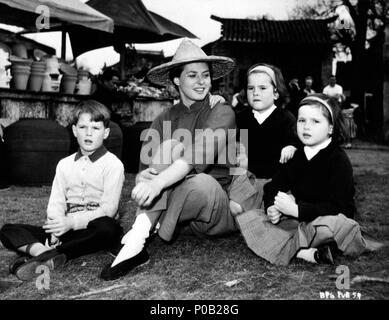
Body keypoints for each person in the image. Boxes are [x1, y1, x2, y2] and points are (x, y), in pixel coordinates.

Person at [100, 39, 245, 281]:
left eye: (206, 75)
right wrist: (145, 178)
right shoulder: (163, 118)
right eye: (193, 75)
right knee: (169, 147)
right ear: (177, 80)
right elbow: (144, 175)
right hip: (179, 218)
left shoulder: (222, 111)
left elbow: (196, 156)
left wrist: (156, 184)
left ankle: (139, 235)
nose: (202, 82)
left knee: (198, 180)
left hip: (212, 205)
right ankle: (141, 235)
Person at [0, 100, 125, 280]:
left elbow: (109, 210)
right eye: (83, 127)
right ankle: (44, 253)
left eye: (95, 128)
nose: (88, 133)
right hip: (67, 231)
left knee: (109, 228)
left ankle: (54, 253)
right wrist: (55, 230)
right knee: (7, 230)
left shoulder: (113, 165)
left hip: (93, 228)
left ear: (105, 133)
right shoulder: (64, 165)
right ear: (74, 130)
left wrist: (72, 222)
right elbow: (56, 202)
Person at [245, 93, 374, 266]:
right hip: (299, 220)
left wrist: (297, 210)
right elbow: (272, 187)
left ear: (330, 128)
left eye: (315, 121)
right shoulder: (296, 156)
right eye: (301, 120)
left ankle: (300, 246)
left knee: (330, 227)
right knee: (252, 218)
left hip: (328, 218)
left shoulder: (338, 160)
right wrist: (271, 207)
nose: (306, 127)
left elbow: (339, 206)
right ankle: (307, 250)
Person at [233, 63, 300, 203]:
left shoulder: (286, 119)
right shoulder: (241, 118)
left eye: (263, 88)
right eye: (251, 88)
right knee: (235, 208)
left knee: (273, 210)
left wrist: (292, 147)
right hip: (247, 181)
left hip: (277, 182)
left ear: (276, 93)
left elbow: (297, 142)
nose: (256, 93)